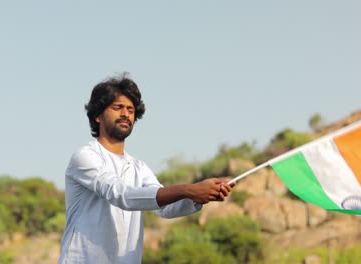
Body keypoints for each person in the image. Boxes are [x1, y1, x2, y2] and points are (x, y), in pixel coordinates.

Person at [59, 74, 235, 264]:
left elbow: (166, 208)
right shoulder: (86, 156)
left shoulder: (139, 168)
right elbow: (121, 195)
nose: (126, 114)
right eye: (118, 107)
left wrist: (201, 196)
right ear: (98, 116)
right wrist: (189, 189)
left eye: (131, 110)